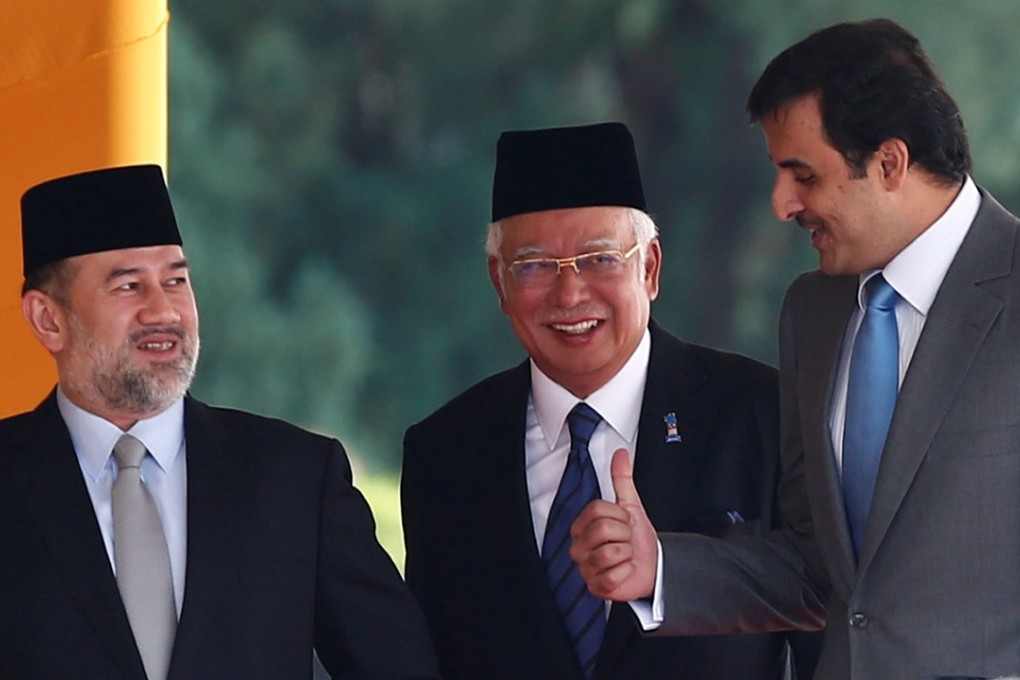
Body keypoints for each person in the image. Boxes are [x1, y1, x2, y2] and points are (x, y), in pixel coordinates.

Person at [571, 18, 1020, 680]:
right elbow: (824, 568)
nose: (783, 204)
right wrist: (660, 567)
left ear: (890, 163)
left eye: (803, 175)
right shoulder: (813, 312)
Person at [401, 121, 820, 680]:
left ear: (649, 268)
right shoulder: (444, 452)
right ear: (499, 284)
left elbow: (832, 622)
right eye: (533, 267)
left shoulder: (762, 415)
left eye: (601, 259)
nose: (570, 294)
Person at [0, 164, 440, 680]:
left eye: (176, 281)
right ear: (48, 319)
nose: (163, 310)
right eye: (128, 287)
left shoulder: (294, 477)